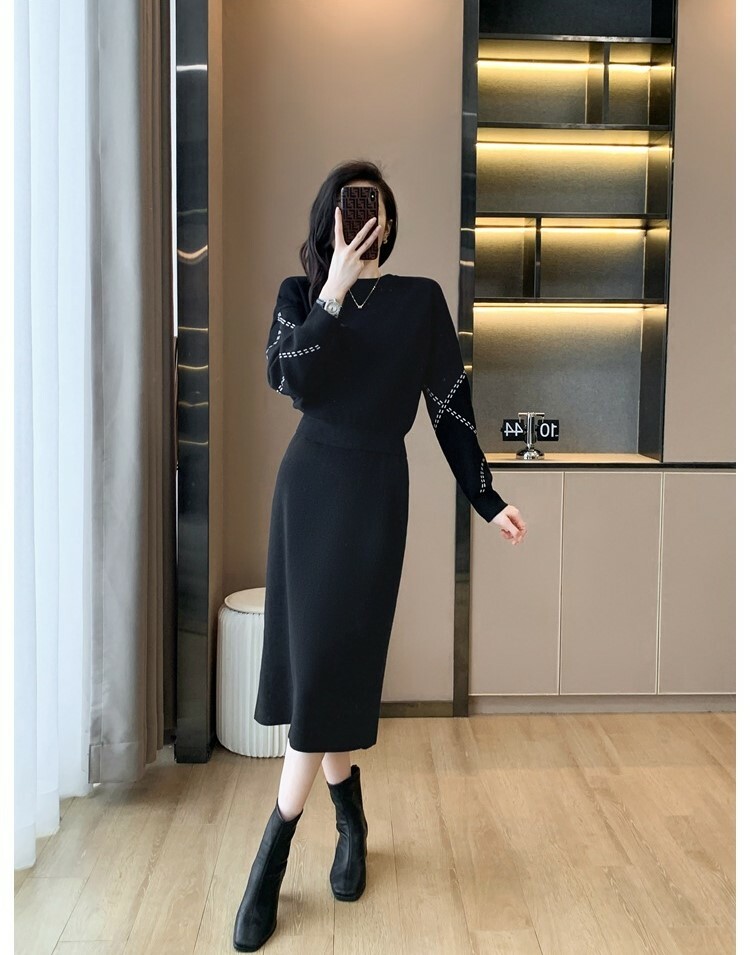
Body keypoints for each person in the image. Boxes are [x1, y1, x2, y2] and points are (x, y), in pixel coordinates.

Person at [233, 160, 527, 952]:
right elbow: (287, 377)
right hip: (307, 489)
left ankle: (275, 852)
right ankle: (342, 825)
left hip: (372, 498)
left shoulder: (419, 300)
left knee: (333, 666)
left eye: (377, 208)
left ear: (389, 223)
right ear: (330, 220)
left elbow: (450, 408)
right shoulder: (300, 297)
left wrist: (487, 496)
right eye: (353, 208)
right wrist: (333, 285)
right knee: (319, 672)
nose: (367, 218)